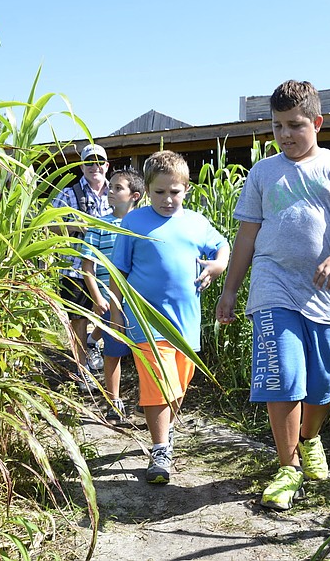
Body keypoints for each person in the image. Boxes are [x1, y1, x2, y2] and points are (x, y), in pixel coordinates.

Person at [215, 80, 330, 511]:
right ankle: (287, 467)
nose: (285, 134)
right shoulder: (263, 172)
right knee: (283, 376)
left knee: (323, 386)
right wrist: (231, 289)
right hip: (273, 286)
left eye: (295, 125)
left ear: (316, 123)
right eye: (277, 125)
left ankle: (311, 436)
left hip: (326, 294)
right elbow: (247, 235)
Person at [110, 150, 229, 484]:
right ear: (146, 191)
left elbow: (222, 246)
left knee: (176, 386)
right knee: (159, 383)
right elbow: (118, 270)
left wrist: (218, 265)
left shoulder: (196, 222)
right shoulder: (134, 222)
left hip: (186, 323)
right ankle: (160, 449)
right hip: (146, 320)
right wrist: (116, 312)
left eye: (174, 191)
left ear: (186, 189)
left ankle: (164, 426)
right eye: (159, 192)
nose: (167, 199)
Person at [80, 168, 144, 424]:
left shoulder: (142, 224)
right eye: (111, 187)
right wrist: (97, 297)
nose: (111, 192)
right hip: (111, 300)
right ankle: (113, 399)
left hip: (139, 301)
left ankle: (145, 400)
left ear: (135, 196)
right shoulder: (100, 224)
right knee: (114, 351)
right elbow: (87, 265)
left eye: (118, 188)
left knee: (143, 352)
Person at [51, 144, 112, 392]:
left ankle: (93, 341)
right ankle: (82, 370)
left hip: (108, 267)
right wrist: (76, 224)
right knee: (77, 319)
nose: (94, 167)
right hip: (74, 268)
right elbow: (50, 226)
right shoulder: (68, 193)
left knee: (109, 313)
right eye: (89, 162)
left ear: (107, 165)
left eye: (100, 162)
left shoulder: (117, 191)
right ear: (82, 166)